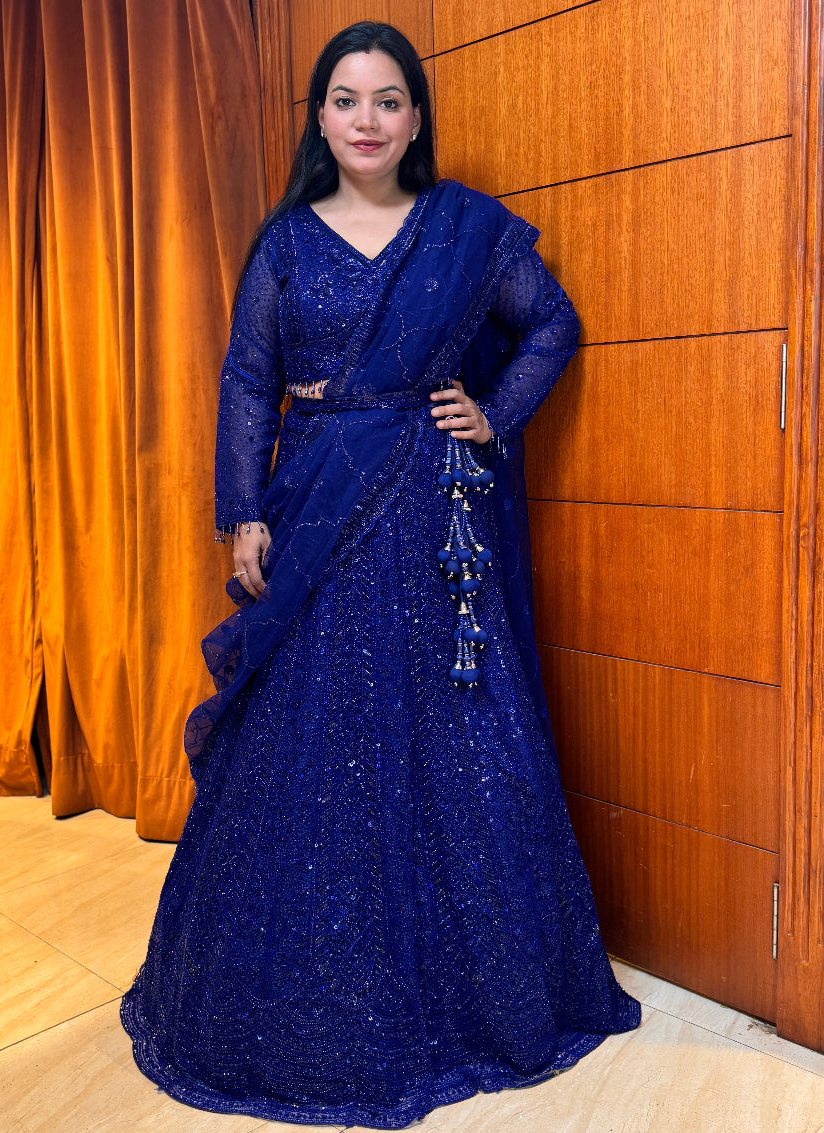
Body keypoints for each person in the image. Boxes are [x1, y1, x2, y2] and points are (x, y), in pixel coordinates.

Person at [120, 20, 640, 1129]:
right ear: (319, 117)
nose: (366, 120)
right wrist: (242, 513)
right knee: (310, 740)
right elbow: (247, 378)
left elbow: (552, 323)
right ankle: (297, 1005)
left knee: (451, 730)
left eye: (388, 100)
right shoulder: (287, 244)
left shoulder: (465, 231)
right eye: (346, 99)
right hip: (314, 507)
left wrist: (491, 414)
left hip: (434, 513)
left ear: (415, 118)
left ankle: (480, 998)